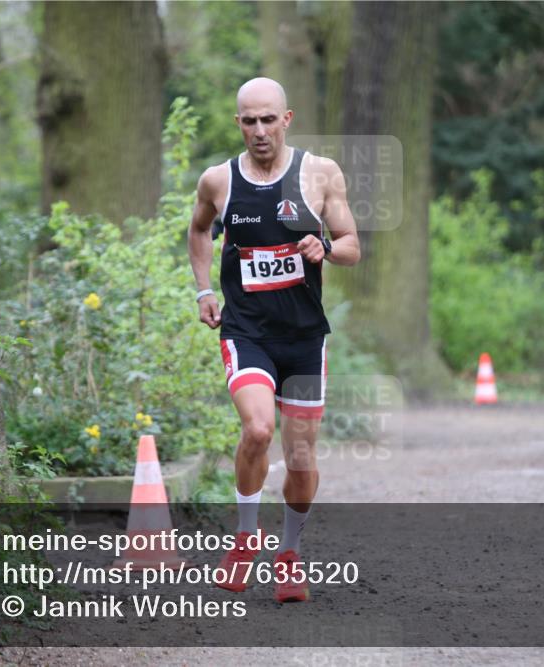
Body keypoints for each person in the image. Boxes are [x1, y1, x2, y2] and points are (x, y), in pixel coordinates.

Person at [187, 77, 360, 602]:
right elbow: (198, 231)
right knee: (258, 429)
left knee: (302, 458)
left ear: (287, 119)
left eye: (268, 119)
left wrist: (325, 248)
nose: (259, 131)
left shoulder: (319, 174)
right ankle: (245, 537)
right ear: (237, 123)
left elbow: (353, 245)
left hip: (305, 338)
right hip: (248, 332)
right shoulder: (219, 181)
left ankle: (288, 554)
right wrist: (201, 292)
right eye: (248, 120)